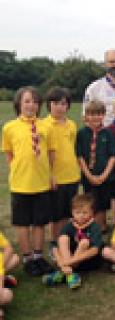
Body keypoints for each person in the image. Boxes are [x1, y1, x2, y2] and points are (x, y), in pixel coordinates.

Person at [1, 87, 55, 276]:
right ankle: (27, 258)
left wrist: (51, 175)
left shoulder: (46, 126)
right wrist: (16, 170)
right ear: (19, 104)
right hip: (21, 184)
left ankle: (39, 256)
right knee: (23, 223)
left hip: (41, 183)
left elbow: (50, 153)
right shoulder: (9, 128)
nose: (31, 105)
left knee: (40, 222)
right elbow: (9, 153)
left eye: (34, 101)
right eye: (27, 101)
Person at [42, 87, 81, 252]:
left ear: (68, 106)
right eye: (55, 103)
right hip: (55, 177)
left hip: (72, 175)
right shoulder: (44, 125)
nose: (59, 107)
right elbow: (46, 155)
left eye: (63, 103)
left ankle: (66, 239)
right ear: (49, 105)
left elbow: (72, 148)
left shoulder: (72, 125)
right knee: (56, 214)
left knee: (69, 212)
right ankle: (54, 241)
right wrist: (50, 176)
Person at [42, 194, 103, 289]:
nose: (81, 216)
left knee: (84, 242)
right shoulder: (69, 225)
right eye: (77, 213)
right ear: (72, 213)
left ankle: (63, 273)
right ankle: (69, 274)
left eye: (85, 212)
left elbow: (95, 250)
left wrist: (67, 262)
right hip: (68, 258)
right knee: (62, 239)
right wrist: (61, 262)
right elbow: (55, 247)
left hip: (86, 261)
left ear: (92, 212)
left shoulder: (95, 227)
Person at [76, 100, 115, 232]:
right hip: (88, 175)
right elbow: (80, 156)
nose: (96, 117)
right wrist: (89, 175)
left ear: (104, 115)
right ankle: (92, 227)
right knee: (91, 202)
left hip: (105, 176)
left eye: (99, 114)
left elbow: (113, 156)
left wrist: (104, 175)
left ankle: (101, 226)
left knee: (103, 202)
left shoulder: (108, 133)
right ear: (87, 115)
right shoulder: (82, 133)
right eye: (92, 114)